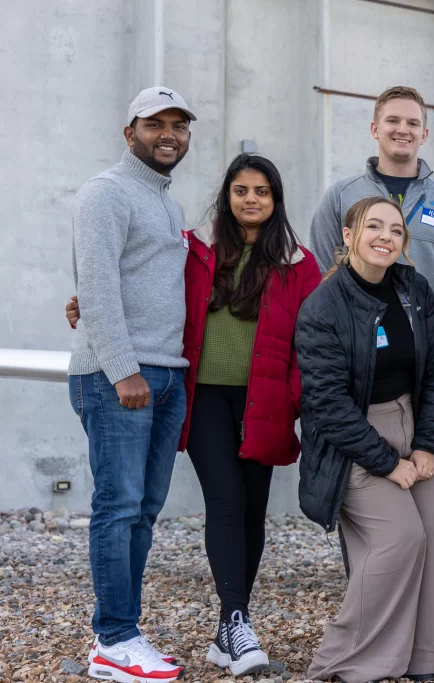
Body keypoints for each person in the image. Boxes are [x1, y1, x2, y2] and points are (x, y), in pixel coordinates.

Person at [68, 153, 322, 676]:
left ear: (276, 201)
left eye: (262, 192)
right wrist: (83, 303)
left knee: (253, 508)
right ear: (226, 196)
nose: (251, 199)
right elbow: (146, 286)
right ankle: (233, 620)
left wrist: (297, 398)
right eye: (241, 190)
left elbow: (313, 337)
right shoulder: (197, 249)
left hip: (267, 402)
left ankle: (232, 629)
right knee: (226, 500)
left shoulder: (300, 263)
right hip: (203, 395)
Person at [295, 196, 434, 683]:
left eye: (395, 230)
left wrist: (429, 444)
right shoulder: (322, 307)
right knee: (400, 537)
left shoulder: (414, 290)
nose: (385, 237)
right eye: (374, 227)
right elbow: (326, 405)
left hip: (414, 425)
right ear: (348, 236)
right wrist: (389, 463)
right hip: (352, 440)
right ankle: (343, 659)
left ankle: (427, 657)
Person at [67, 86, 195, 683]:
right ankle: (112, 640)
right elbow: (95, 289)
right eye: (155, 124)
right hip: (121, 379)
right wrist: (122, 370)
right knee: (117, 510)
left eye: (179, 124)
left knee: (142, 511)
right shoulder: (106, 193)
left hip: (165, 376)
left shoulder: (168, 203)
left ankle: (124, 630)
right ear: (130, 134)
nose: (169, 134)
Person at [309, 85, 434, 293]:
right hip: (357, 324)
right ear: (375, 129)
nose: (402, 129)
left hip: (428, 323)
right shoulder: (340, 195)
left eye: (413, 123)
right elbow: (320, 271)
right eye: (392, 120)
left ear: (424, 134)